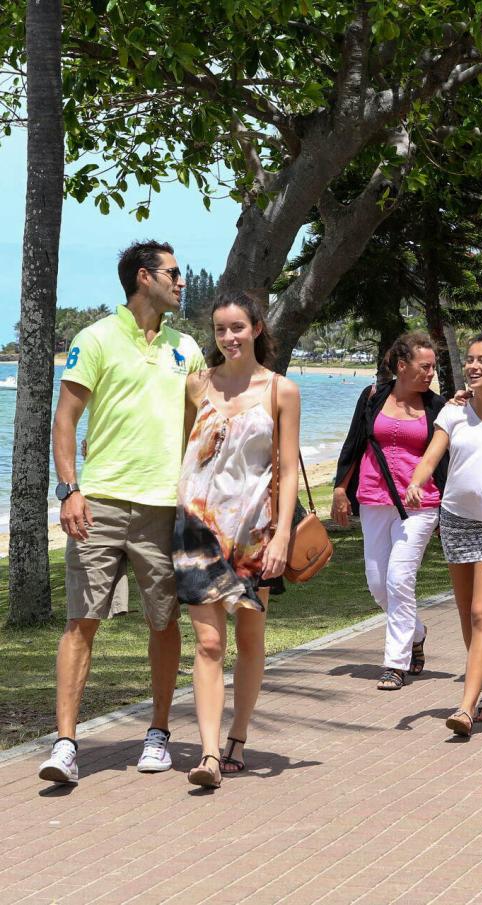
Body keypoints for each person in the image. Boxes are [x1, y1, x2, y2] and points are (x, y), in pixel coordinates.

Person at [38, 240, 205, 785]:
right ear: (144, 277)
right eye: (173, 273)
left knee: (164, 620)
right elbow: (65, 420)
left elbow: (206, 422)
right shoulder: (95, 338)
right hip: (101, 503)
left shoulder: (188, 349)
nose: (181, 282)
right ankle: (66, 744)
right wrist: (69, 489)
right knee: (81, 621)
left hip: (163, 507)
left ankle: (157, 733)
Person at [172, 290, 300, 788]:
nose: (228, 337)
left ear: (257, 329)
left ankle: (237, 737)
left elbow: (288, 469)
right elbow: (185, 450)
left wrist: (282, 533)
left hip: (254, 532)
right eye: (221, 329)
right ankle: (207, 754)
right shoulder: (196, 385)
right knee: (207, 642)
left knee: (249, 640)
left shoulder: (280, 391)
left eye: (237, 328)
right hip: (196, 529)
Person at [406, 332, 482, 737]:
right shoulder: (453, 413)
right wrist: (417, 483)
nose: (473, 366)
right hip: (455, 520)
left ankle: (465, 708)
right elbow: (431, 456)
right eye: (470, 359)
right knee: (467, 616)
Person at [332, 333, 448, 690]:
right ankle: (416, 633)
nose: (430, 373)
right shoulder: (371, 397)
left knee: (399, 578)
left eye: (433, 367)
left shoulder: (437, 407)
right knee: (378, 582)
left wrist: (448, 504)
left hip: (420, 503)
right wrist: (339, 488)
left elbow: (445, 457)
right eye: (424, 366)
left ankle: (395, 664)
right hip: (373, 497)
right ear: (402, 366)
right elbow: (354, 443)